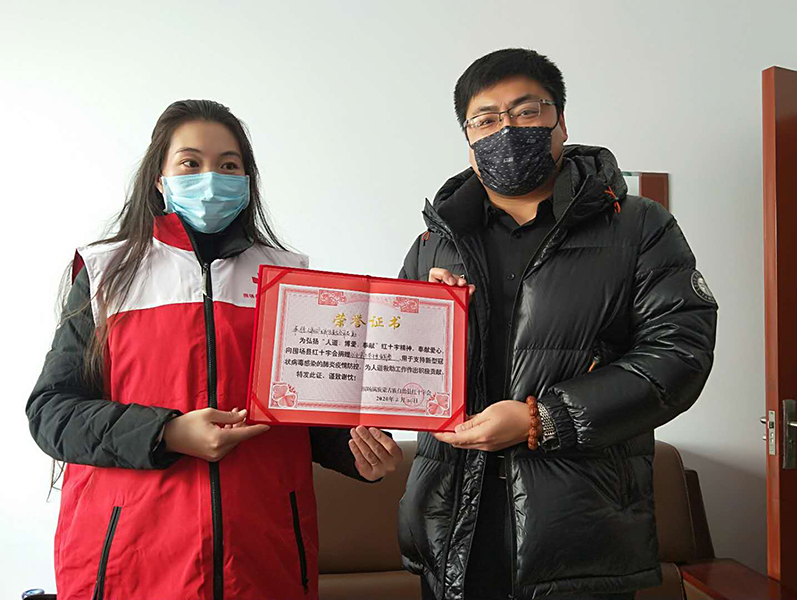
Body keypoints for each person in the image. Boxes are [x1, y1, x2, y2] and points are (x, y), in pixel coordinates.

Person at [26, 99, 402, 600]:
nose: (211, 179)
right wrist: (167, 433)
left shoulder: (289, 279)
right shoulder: (105, 273)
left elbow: (303, 413)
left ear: (247, 180)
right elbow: (52, 413)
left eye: (228, 165)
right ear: (159, 179)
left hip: (263, 562)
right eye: (190, 163)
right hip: (130, 564)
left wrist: (357, 452)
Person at [397, 48, 718, 600]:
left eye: (527, 111)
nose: (507, 130)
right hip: (452, 533)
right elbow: (399, 363)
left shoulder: (639, 226)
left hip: (581, 532)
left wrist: (539, 419)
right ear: (468, 139)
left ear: (560, 122)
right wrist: (426, 321)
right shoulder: (433, 243)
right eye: (486, 119)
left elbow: (678, 357)